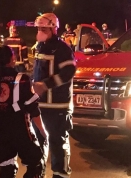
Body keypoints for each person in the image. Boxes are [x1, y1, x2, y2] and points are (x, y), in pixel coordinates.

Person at [0, 45, 47, 178]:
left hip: (0, 131)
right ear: (12, 59)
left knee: (6, 169)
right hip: (20, 130)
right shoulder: (21, 79)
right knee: (36, 162)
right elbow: (33, 109)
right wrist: (43, 131)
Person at [32, 13, 77, 178]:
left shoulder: (62, 49)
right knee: (37, 143)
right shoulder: (39, 46)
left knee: (58, 143)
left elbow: (69, 72)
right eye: (38, 28)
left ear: (53, 28)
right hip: (40, 105)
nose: (40, 31)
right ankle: (39, 173)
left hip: (58, 105)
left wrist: (46, 85)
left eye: (43, 28)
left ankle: (61, 175)